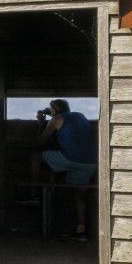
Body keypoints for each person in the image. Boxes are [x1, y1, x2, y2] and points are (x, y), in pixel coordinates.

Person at [29, 99, 96, 236]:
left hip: (71, 159)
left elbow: (40, 142)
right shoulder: (80, 115)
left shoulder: (55, 120)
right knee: (78, 196)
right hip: (90, 163)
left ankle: (33, 191)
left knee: (35, 157)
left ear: (53, 111)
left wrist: (41, 121)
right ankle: (81, 228)